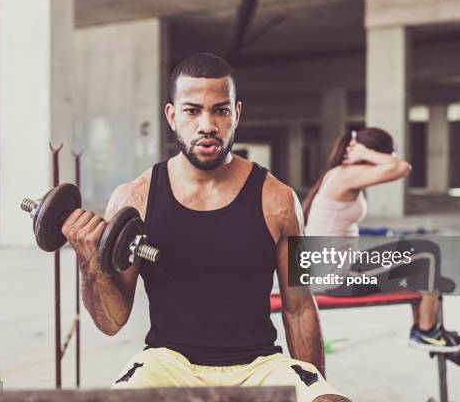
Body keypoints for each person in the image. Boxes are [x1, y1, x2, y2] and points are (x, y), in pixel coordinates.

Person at [61, 53, 349, 402]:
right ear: (172, 115)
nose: (207, 125)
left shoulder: (278, 199)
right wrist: (89, 263)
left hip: (259, 365)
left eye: (220, 110)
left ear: (236, 114)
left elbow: (299, 308)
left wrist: (316, 387)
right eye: (192, 110)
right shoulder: (134, 199)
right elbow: (112, 323)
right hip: (167, 363)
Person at [303, 127, 460, 352]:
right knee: (427, 252)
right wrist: (364, 153)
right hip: (337, 281)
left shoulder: (338, 174)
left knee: (422, 265)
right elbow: (401, 167)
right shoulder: (347, 174)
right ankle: (426, 332)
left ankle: (429, 322)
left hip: (331, 274)